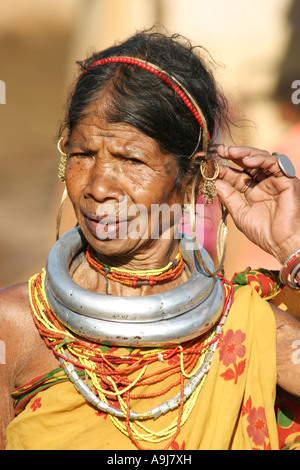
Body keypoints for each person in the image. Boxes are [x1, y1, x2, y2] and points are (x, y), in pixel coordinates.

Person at [1, 29, 300, 451]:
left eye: (131, 159)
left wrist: (293, 246)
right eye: (83, 154)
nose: (98, 187)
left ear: (192, 177)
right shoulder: (15, 326)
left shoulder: (244, 327)